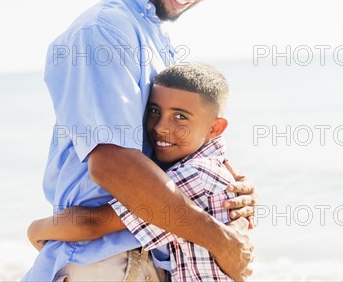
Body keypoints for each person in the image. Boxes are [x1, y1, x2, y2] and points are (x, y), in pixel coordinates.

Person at [21, 0, 256, 282]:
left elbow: (175, 159)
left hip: (147, 257)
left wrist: (229, 188)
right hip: (110, 263)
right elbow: (112, 163)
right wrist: (219, 239)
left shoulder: (152, 38)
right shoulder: (104, 31)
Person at [28, 63, 246, 282]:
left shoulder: (197, 175)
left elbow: (93, 223)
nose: (160, 127)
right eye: (154, 111)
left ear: (215, 128)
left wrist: (35, 230)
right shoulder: (212, 169)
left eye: (180, 117)